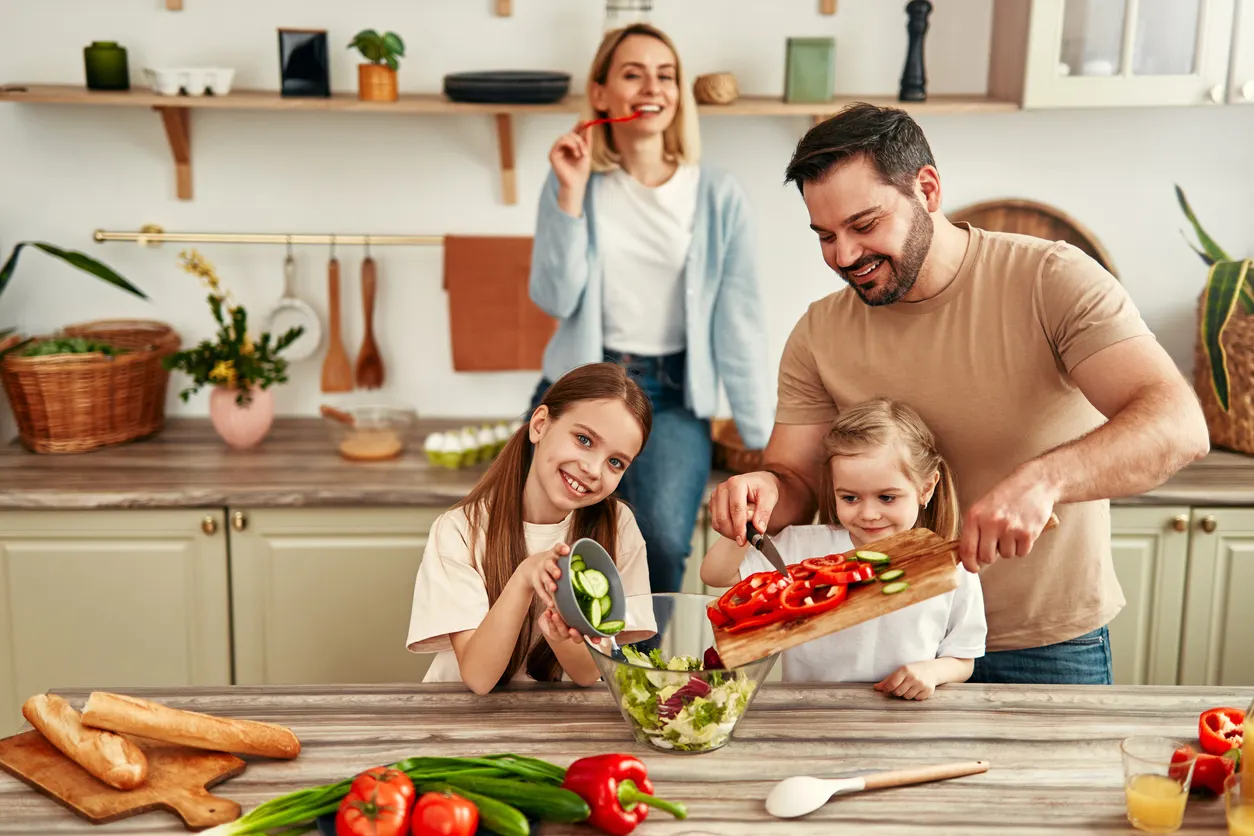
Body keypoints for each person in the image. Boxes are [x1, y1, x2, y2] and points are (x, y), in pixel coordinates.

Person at [707, 102, 1210, 685]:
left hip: (1044, 642)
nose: (844, 256)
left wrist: (1044, 481)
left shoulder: (1051, 280)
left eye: (865, 225)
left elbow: (1177, 424)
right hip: (883, 644)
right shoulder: (819, 333)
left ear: (927, 188)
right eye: (826, 236)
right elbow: (793, 482)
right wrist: (761, 491)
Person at [527, 23, 773, 596]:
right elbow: (554, 298)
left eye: (665, 75)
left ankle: (641, 672)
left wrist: (762, 436)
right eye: (632, 74)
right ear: (600, 93)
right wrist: (567, 193)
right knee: (546, 535)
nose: (651, 87)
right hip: (584, 383)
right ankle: (561, 666)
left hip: (672, 392)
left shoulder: (717, 194)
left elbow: (740, 320)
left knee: (662, 540)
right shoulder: (576, 181)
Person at [702, 398, 984, 699]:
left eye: (887, 498)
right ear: (834, 488)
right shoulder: (801, 545)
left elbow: (963, 658)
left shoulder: (951, 565)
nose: (869, 514)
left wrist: (931, 672)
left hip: (904, 716)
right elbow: (716, 574)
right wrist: (741, 523)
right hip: (808, 713)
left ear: (926, 488)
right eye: (850, 498)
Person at [406, 362, 653, 695]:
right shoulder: (459, 529)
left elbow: (586, 674)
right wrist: (524, 578)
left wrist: (560, 633)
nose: (594, 469)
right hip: (459, 717)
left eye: (615, 462)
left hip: (552, 720)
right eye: (583, 439)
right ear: (540, 425)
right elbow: (479, 678)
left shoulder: (618, 527)